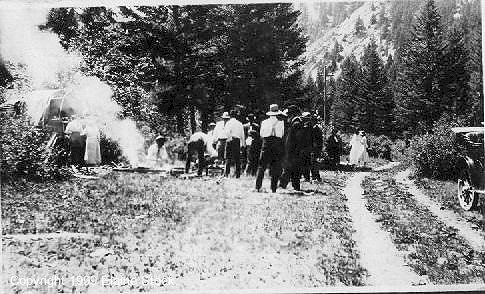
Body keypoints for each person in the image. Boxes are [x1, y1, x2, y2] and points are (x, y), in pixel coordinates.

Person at [255, 104, 285, 193]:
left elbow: (261, 134)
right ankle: (273, 188)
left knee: (261, 166)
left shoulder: (264, 122)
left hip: (266, 143)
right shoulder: (281, 122)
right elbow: (282, 134)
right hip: (277, 144)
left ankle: (258, 186)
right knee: (275, 166)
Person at [224, 110, 245, 178]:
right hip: (237, 141)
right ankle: (238, 175)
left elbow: (226, 132)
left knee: (228, 158)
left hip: (230, 140)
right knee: (237, 159)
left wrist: (229, 139)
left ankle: (226, 174)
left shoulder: (228, 123)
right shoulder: (240, 123)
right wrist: (243, 144)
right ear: (236, 115)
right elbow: (242, 135)